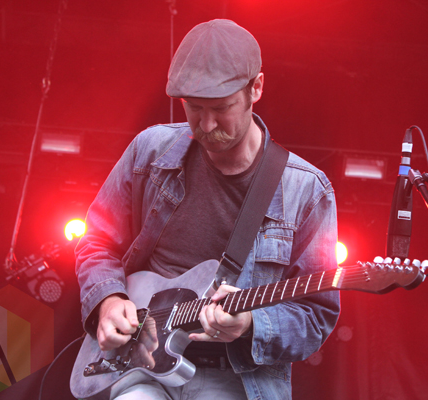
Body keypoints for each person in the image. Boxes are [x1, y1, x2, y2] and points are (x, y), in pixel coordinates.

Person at [75, 19, 340, 400]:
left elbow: (315, 317)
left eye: (221, 107)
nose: (207, 123)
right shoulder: (150, 151)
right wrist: (108, 299)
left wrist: (251, 323)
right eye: (194, 108)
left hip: (235, 379)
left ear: (256, 88)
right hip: (143, 365)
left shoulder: (307, 189)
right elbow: (96, 240)